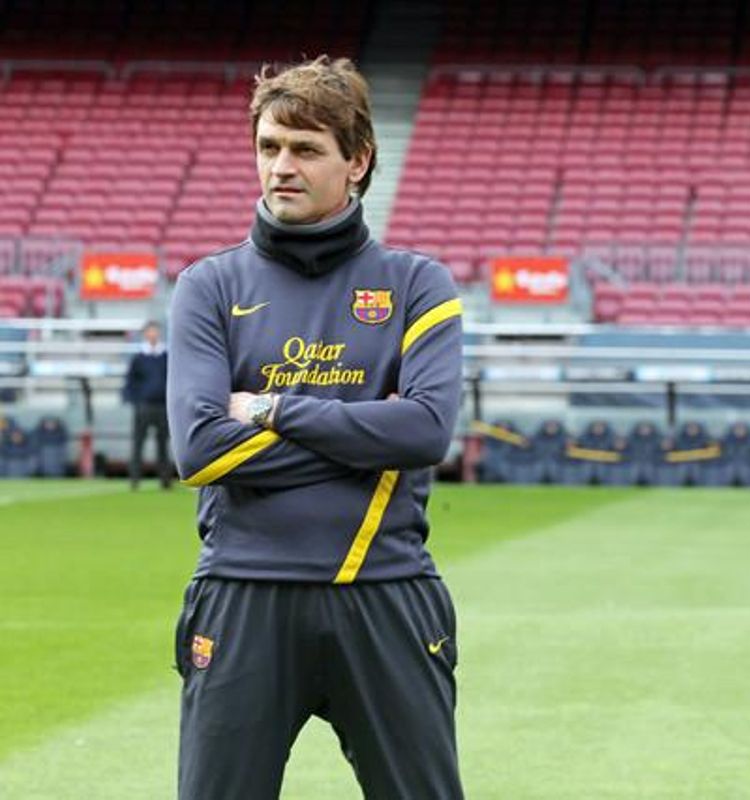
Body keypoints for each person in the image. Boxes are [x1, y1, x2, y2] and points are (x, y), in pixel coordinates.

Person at [166, 56, 464, 800]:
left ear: (357, 161)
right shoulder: (209, 285)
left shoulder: (415, 283)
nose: (281, 167)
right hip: (241, 594)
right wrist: (364, 433)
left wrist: (272, 409)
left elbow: (426, 432)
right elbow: (199, 450)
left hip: (384, 591)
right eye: (269, 147)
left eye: (305, 149)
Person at [123, 320, 172, 489]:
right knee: (138, 443)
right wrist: (134, 401)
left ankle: (165, 481)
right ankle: (134, 480)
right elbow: (130, 381)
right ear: (145, 334)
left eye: (155, 331)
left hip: (163, 406)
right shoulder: (138, 358)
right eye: (150, 331)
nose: (153, 334)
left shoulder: (166, 356)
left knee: (163, 444)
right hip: (144, 406)